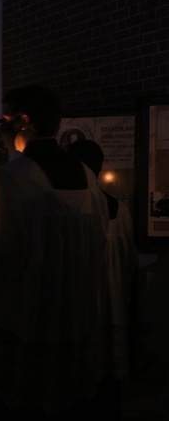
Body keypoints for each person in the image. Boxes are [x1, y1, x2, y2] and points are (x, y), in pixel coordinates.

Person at [0, 85, 112, 420]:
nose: (0, 129)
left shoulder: (11, 178)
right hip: (73, 313)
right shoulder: (87, 177)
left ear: (24, 122)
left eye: (5, 120)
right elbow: (98, 241)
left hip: (27, 315)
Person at [66, 139, 139, 385]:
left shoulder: (69, 212)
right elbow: (129, 260)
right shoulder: (121, 210)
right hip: (113, 303)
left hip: (82, 309)